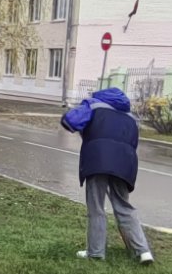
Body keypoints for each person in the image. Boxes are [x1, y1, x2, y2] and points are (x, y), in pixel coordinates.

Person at [60, 87, 153, 264]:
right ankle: (143, 251)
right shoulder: (130, 117)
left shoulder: (93, 105)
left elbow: (70, 121)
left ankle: (96, 252)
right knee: (123, 205)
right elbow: (133, 142)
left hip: (98, 159)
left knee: (96, 206)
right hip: (125, 163)